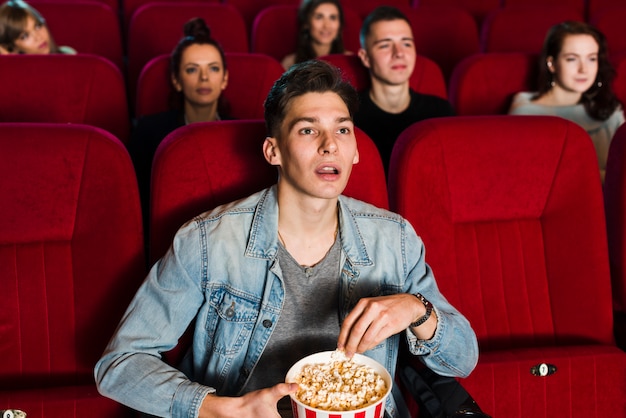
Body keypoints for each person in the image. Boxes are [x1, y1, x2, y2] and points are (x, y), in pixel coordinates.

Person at [95, 59, 478, 418]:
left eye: (342, 130)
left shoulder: (395, 238)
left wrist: (416, 309)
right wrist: (220, 408)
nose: (330, 144)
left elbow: (462, 359)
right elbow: (119, 365)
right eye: (308, 129)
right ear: (273, 150)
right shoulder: (207, 241)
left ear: (356, 151)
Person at [128, 17, 230, 220]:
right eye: (192, 69)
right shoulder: (148, 133)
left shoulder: (240, 132)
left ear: (225, 78)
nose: (204, 77)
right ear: (176, 80)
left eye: (213, 68)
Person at [509, 21, 624, 182]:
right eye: (572, 59)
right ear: (552, 63)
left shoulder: (609, 108)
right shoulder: (526, 114)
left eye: (592, 59)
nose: (584, 69)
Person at [354, 6, 455, 175]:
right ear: (365, 57)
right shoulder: (349, 115)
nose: (399, 53)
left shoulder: (441, 112)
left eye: (406, 43)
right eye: (385, 45)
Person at [281, 0, 351, 70]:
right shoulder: (290, 63)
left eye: (333, 18)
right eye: (319, 17)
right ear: (306, 23)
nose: (326, 26)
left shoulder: (351, 60)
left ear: (340, 24)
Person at [0, 0, 75, 54]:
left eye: (38, 26)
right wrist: (10, 62)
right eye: (25, 36)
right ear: (13, 47)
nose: (38, 37)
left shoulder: (68, 54)